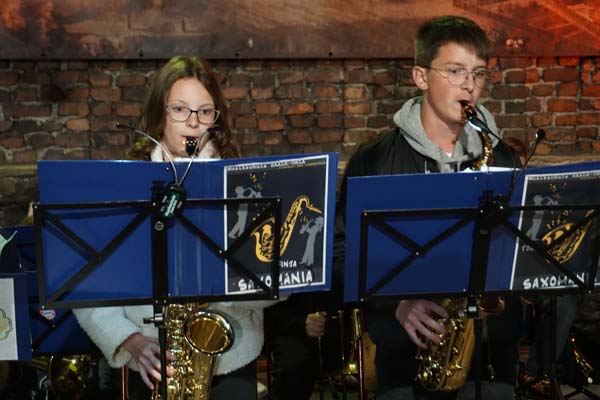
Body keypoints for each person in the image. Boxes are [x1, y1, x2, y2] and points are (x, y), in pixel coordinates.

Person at [334, 16, 523, 400]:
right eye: (455, 71)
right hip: (404, 363)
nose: (469, 85)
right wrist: (395, 304)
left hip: (489, 363)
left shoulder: (501, 157)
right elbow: (340, 254)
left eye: (478, 73)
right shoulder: (374, 161)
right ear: (421, 77)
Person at [74, 56, 277, 400]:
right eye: (180, 109)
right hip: (150, 358)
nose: (193, 123)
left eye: (205, 111)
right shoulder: (121, 186)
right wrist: (127, 339)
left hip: (232, 353)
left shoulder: (245, 185)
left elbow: (276, 284)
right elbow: (86, 281)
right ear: (159, 114)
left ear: (216, 118)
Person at [503, 137, 580, 397]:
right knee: (507, 308)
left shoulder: (537, 194)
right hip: (499, 278)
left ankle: (535, 374)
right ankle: (505, 376)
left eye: (521, 168)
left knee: (564, 300)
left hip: (529, 273)